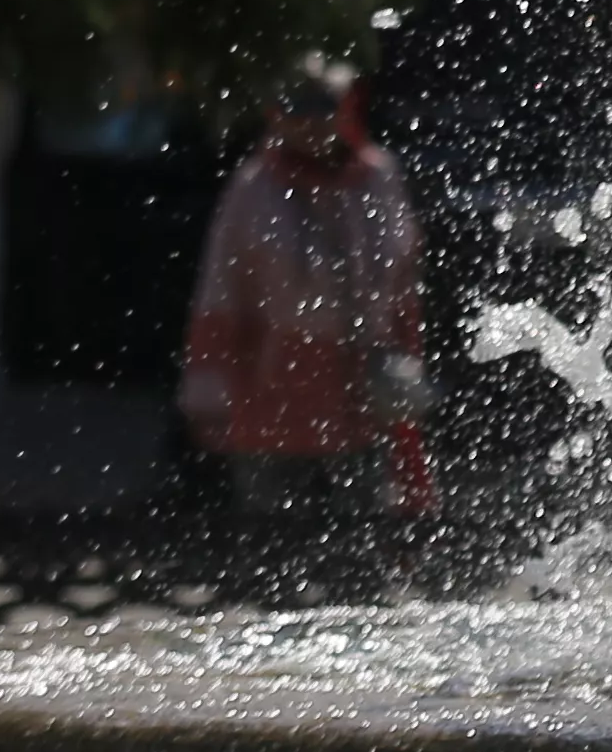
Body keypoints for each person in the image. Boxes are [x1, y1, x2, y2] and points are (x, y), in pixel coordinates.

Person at [177, 59, 433, 519]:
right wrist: (207, 386)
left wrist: (408, 358)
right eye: (298, 109)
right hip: (271, 386)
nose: (312, 122)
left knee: (364, 523)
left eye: (324, 107)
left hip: (358, 386)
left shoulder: (376, 177)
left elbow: (403, 279)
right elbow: (220, 290)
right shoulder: (254, 186)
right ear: (277, 115)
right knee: (274, 527)